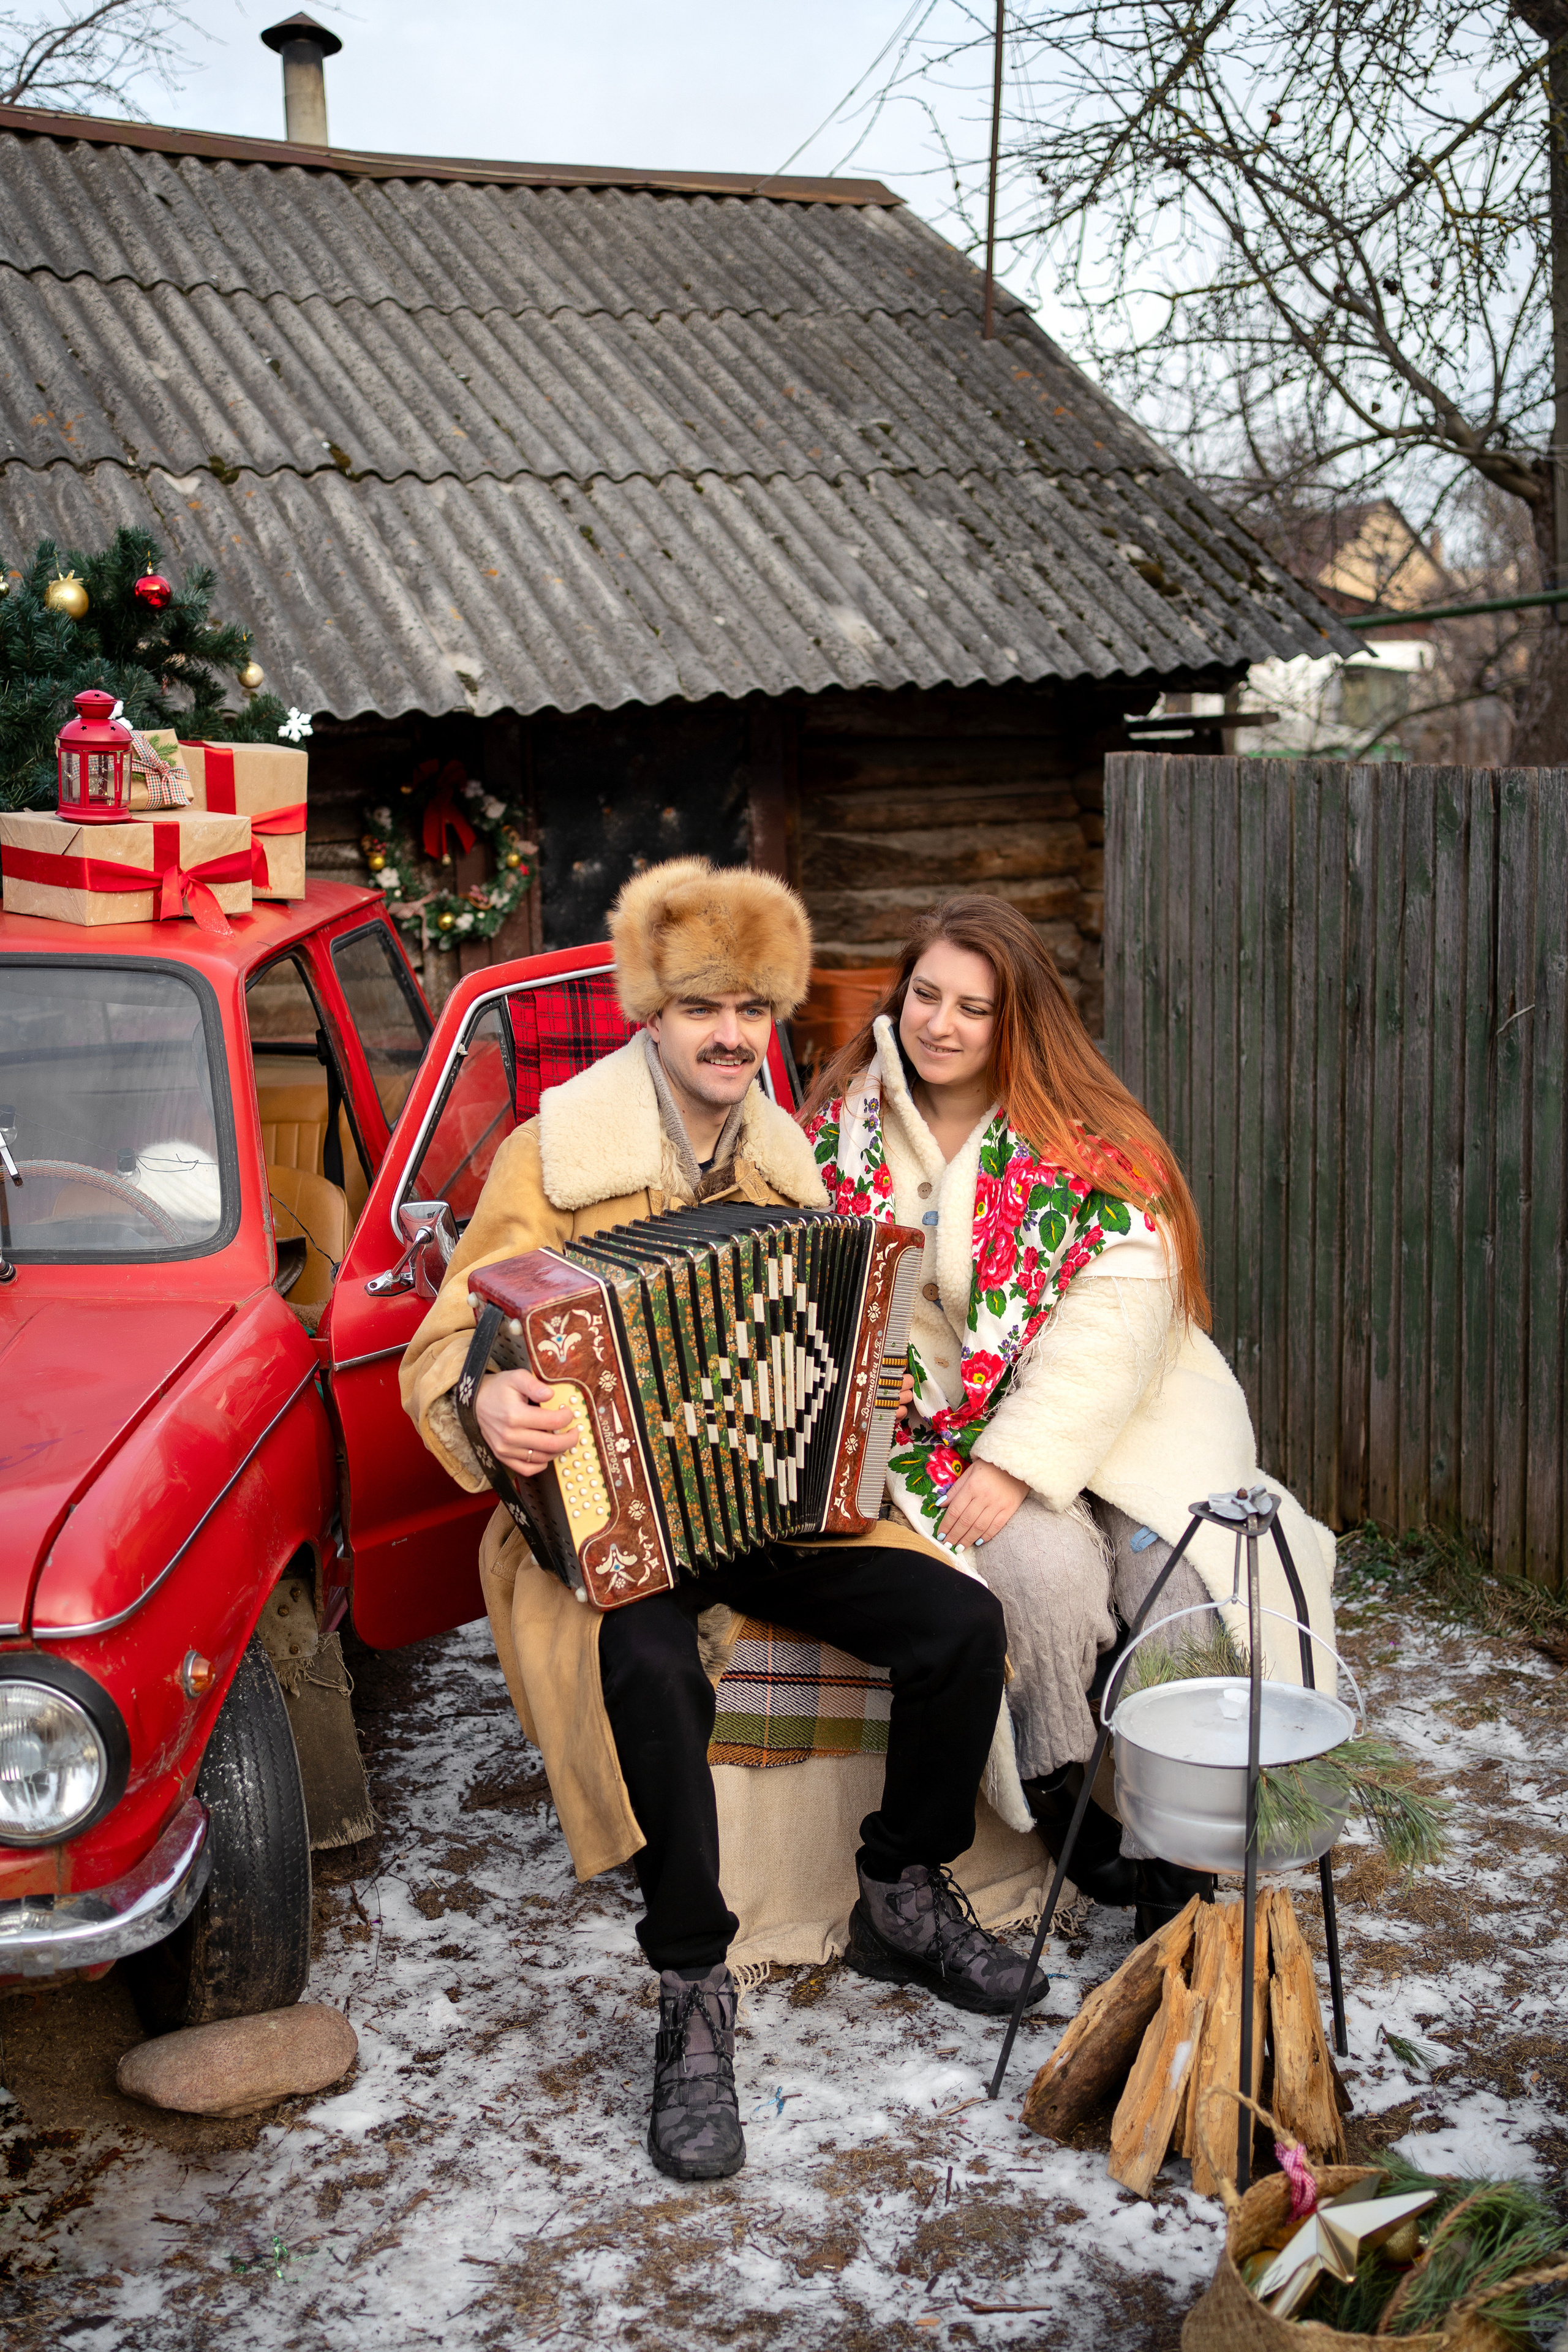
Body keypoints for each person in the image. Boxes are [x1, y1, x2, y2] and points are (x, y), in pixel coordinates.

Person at [401, 859, 1047, 2187]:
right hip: (602, 1516)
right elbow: (448, 1341)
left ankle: (898, 1889)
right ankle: (693, 1991)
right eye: (702, 1005)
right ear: (650, 1011)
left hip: (753, 1492)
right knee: (638, 1662)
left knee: (955, 1622)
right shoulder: (550, 1154)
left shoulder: (780, 1151)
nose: (729, 1036)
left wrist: (857, 1381)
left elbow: (821, 1330)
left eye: (753, 1009)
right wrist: (490, 1402)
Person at [801, 895, 1337, 1941]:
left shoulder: (1089, 1141)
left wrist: (1018, 1458)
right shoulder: (839, 1137)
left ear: (1019, 1021)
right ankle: (1078, 1817)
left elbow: (1119, 1323)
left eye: (975, 1007)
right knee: (1040, 1579)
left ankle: (1183, 1864)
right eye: (925, 996)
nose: (941, 1024)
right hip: (941, 1427)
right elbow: (837, 1286)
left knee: (1179, 1579)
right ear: (899, 994)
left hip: (1124, 1418)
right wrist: (923, 1401)